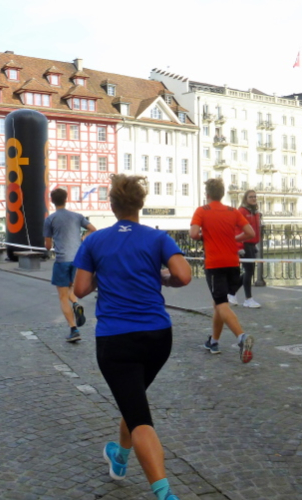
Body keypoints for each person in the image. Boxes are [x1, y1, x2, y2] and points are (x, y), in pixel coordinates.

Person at [73, 174, 191, 500]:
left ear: (112, 206)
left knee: (139, 418)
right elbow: (183, 275)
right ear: (140, 204)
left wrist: (104, 274)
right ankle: (120, 457)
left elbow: (79, 288)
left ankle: (166, 495)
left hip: (116, 341)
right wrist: (163, 278)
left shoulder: (94, 241)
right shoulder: (157, 238)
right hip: (158, 337)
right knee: (133, 400)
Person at [190, 178, 255, 362]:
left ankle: (241, 337)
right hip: (233, 263)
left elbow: (193, 234)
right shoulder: (232, 211)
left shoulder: (202, 211)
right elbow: (250, 233)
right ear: (222, 193)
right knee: (219, 302)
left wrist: (205, 235)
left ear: (207, 194)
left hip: (215, 264)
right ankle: (214, 341)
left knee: (221, 304)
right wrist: (234, 239)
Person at [43, 188, 96, 342]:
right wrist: (83, 239)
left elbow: (48, 246)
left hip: (62, 260)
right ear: (66, 199)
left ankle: (74, 329)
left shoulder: (50, 219)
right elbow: (93, 229)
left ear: (52, 201)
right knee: (71, 289)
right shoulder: (77, 216)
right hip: (78, 259)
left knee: (63, 295)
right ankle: (76, 304)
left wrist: (50, 244)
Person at [232, 190, 262, 308]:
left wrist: (256, 244)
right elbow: (237, 229)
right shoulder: (242, 211)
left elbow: (256, 230)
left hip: (251, 244)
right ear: (246, 198)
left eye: (255, 196)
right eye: (251, 197)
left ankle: (231, 292)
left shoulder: (255, 212)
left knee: (249, 271)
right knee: (249, 271)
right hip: (244, 244)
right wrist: (239, 247)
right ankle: (248, 299)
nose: (253, 198)